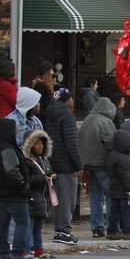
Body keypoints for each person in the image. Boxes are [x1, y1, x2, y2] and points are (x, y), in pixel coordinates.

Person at [0, 117, 34, 259]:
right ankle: (17, 255)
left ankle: (3, 255)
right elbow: (12, 170)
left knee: (2, 225)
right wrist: (23, 186)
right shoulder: (8, 148)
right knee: (23, 223)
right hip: (14, 194)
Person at [45, 88, 81, 245]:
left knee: (56, 198)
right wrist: (78, 164)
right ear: (68, 100)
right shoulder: (67, 116)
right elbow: (71, 142)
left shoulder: (49, 114)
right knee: (68, 198)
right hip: (66, 163)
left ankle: (58, 229)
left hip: (53, 161)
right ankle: (64, 230)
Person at [79, 96, 117, 237]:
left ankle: (97, 227)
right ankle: (112, 225)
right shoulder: (105, 122)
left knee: (95, 197)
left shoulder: (87, 120)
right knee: (110, 195)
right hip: (103, 165)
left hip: (88, 165)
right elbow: (111, 143)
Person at [23, 130, 57, 259]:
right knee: (29, 226)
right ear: (30, 145)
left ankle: (38, 250)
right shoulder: (27, 161)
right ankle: (26, 250)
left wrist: (54, 176)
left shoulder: (44, 160)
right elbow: (28, 180)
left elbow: (49, 172)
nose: (40, 146)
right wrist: (43, 179)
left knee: (38, 227)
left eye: (42, 144)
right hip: (32, 198)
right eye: (36, 144)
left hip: (43, 198)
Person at [106, 129, 130, 240]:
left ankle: (112, 231)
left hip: (115, 189)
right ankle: (128, 231)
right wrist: (129, 191)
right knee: (127, 211)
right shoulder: (124, 159)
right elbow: (125, 177)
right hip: (124, 190)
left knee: (115, 211)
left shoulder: (113, 155)